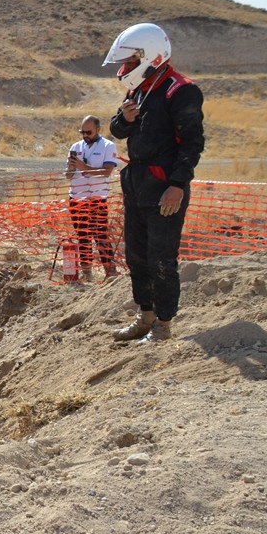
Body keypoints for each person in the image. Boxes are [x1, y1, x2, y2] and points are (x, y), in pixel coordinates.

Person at [103, 22, 204, 342]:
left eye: (130, 61)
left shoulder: (181, 89)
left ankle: (163, 324)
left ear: (151, 57)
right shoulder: (139, 88)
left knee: (162, 256)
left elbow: (192, 143)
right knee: (136, 254)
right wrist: (124, 119)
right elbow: (118, 131)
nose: (125, 68)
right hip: (136, 180)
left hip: (164, 185)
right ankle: (144, 315)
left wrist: (177, 184)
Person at [63, 115, 119, 282]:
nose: (85, 135)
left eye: (89, 132)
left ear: (98, 129)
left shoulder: (108, 146)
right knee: (82, 236)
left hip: (97, 199)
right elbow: (68, 175)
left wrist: (83, 167)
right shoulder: (75, 146)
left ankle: (110, 272)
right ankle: (86, 273)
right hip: (77, 199)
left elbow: (106, 172)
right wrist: (72, 168)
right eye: (82, 132)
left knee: (100, 235)